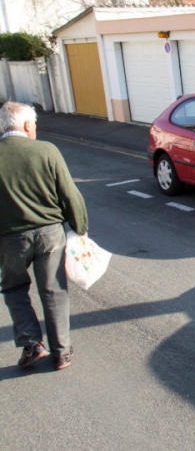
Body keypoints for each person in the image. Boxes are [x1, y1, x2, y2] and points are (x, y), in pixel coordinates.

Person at [0, 102, 88, 371]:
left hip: (9, 237)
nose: (35, 129)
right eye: (34, 124)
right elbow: (70, 193)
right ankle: (61, 352)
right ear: (26, 125)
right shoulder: (46, 150)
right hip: (50, 234)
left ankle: (32, 344)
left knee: (14, 288)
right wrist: (80, 228)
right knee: (53, 290)